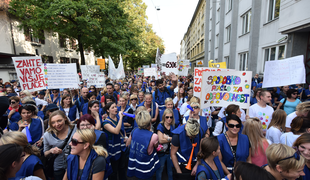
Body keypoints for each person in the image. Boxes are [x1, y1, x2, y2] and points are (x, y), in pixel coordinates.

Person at [126, 110, 160, 180]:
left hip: (136, 164)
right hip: (146, 167)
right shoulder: (153, 136)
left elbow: (128, 144)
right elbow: (156, 146)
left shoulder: (134, 130)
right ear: (149, 122)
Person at [43, 110, 76, 180]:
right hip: (59, 167)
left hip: (76, 164)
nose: (57, 124)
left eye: (59, 121)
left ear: (65, 118)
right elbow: (45, 153)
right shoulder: (47, 135)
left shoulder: (75, 128)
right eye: (53, 122)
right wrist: (51, 151)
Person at [102, 102, 127, 180]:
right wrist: (121, 118)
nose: (115, 109)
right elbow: (116, 131)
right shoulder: (106, 122)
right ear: (108, 110)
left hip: (121, 147)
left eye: (115, 107)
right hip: (113, 149)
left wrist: (125, 136)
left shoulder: (119, 118)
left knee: (122, 168)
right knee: (114, 170)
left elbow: (122, 130)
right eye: (112, 107)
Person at [156, 109, 175, 180]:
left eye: (171, 117)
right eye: (167, 117)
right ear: (164, 117)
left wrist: (166, 137)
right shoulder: (160, 126)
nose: (169, 119)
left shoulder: (173, 126)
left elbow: (176, 139)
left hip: (170, 152)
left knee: (170, 171)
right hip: (162, 153)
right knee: (160, 170)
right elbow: (160, 140)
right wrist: (171, 138)